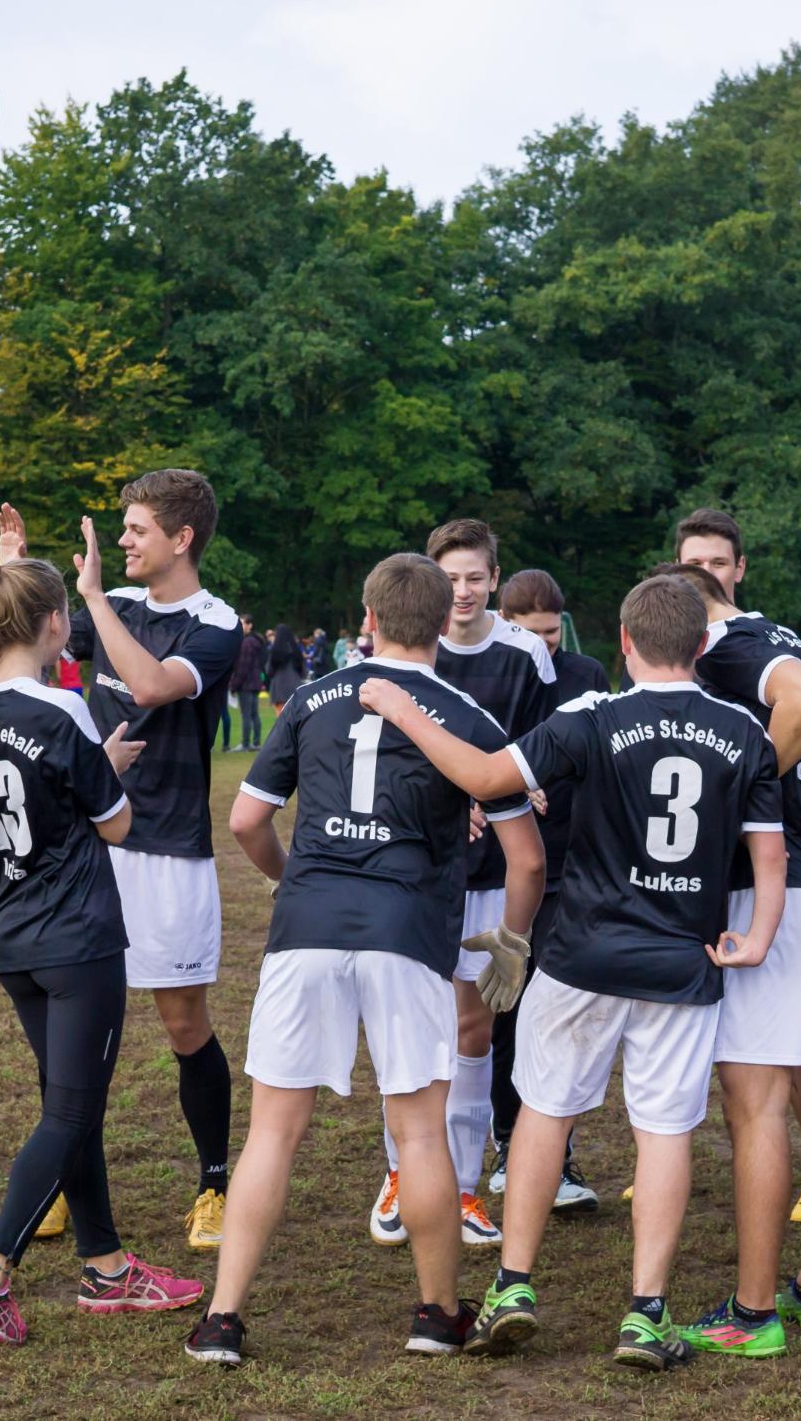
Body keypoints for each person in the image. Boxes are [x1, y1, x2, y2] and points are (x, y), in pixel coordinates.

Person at [357, 572, 787, 1372]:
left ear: (623, 643)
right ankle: (644, 1313)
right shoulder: (744, 731)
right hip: (682, 964)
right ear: (701, 646)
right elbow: (769, 854)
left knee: (546, 1113)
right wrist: (757, 937)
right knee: (663, 1132)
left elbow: (487, 779)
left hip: (582, 953)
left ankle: (513, 1284)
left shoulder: (592, 716)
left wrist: (402, 708)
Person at [188, 553, 543, 1365]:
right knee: (419, 1133)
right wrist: (513, 941)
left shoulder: (312, 698)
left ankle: (223, 1321)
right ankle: (435, 1314)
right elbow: (526, 861)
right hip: (407, 934)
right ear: (441, 623)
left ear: (369, 618)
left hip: (306, 929)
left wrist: (297, 881)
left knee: (273, 1134)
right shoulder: (467, 712)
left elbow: (246, 820)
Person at [0, 557, 204, 1346]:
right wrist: (101, 768)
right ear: (55, 624)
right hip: (79, 938)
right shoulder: (62, 708)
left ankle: (108, 1268)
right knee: (72, 1111)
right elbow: (115, 824)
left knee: (69, 1104)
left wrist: (86, 776)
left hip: (12, 937)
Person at [0, 469, 243, 1254]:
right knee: (68, 1033)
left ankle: (213, 1185)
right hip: (89, 844)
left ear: (181, 539)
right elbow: (14, 642)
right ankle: (65, 1180)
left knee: (183, 1024)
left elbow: (148, 683)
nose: (123, 540)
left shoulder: (215, 621)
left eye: (137, 529)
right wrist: (12, 566)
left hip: (169, 852)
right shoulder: (111, 604)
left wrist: (96, 597)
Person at [670, 511, 801, 1356]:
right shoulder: (798, 641)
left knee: (756, 1103)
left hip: (773, 895)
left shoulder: (730, 647)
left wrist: (733, 797)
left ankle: (752, 1317)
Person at [366, 518, 555, 1252]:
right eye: (451, 578)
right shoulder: (407, 652)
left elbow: (538, 761)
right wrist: (459, 799)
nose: (464, 591)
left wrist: (499, 795)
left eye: (477, 577)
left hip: (488, 870)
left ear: (495, 581)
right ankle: (400, 1178)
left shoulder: (523, 658)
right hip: (413, 867)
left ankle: (467, 1186)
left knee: (473, 1027)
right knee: (409, 1027)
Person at [487, 569, 608, 1210]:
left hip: (574, 868)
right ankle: (509, 1144)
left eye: (552, 631)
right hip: (508, 867)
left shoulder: (586, 676)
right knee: (508, 1008)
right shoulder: (494, 672)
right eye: (531, 631)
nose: (545, 643)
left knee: (561, 1015)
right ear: (506, 622)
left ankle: (557, 1157)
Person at [231, 614, 264, 751]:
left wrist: (234, 685)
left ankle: (245, 744)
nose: (240, 626)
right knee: (254, 714)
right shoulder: (257, 641)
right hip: (255, 682)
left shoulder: (247, 642)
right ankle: (256, 743)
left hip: (246, 684)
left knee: (246, 714)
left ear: (250, 625)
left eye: (242, 623)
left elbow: (242, 666)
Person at [265, 624, 306, 714]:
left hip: (279, 688)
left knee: (281, 719)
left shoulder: (274, 651)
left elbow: (269, 671)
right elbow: (303, 672)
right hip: (295, 686)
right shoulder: (296, 651)